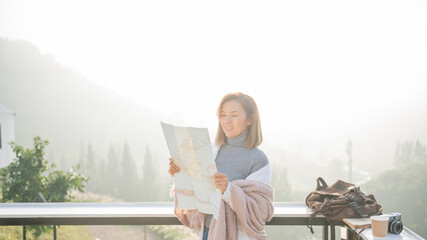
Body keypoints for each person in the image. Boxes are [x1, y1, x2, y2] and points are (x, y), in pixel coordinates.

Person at [168, 92, 274, 240]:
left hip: (239, 236)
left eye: (234, 115)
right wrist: (180, 175)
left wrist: (228, 190)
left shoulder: (258, 160)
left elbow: (260, 210)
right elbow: (196, 196)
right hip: (208, 233)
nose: (227, 121)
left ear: (250, 119)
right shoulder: (209, 150)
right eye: (223, 115)